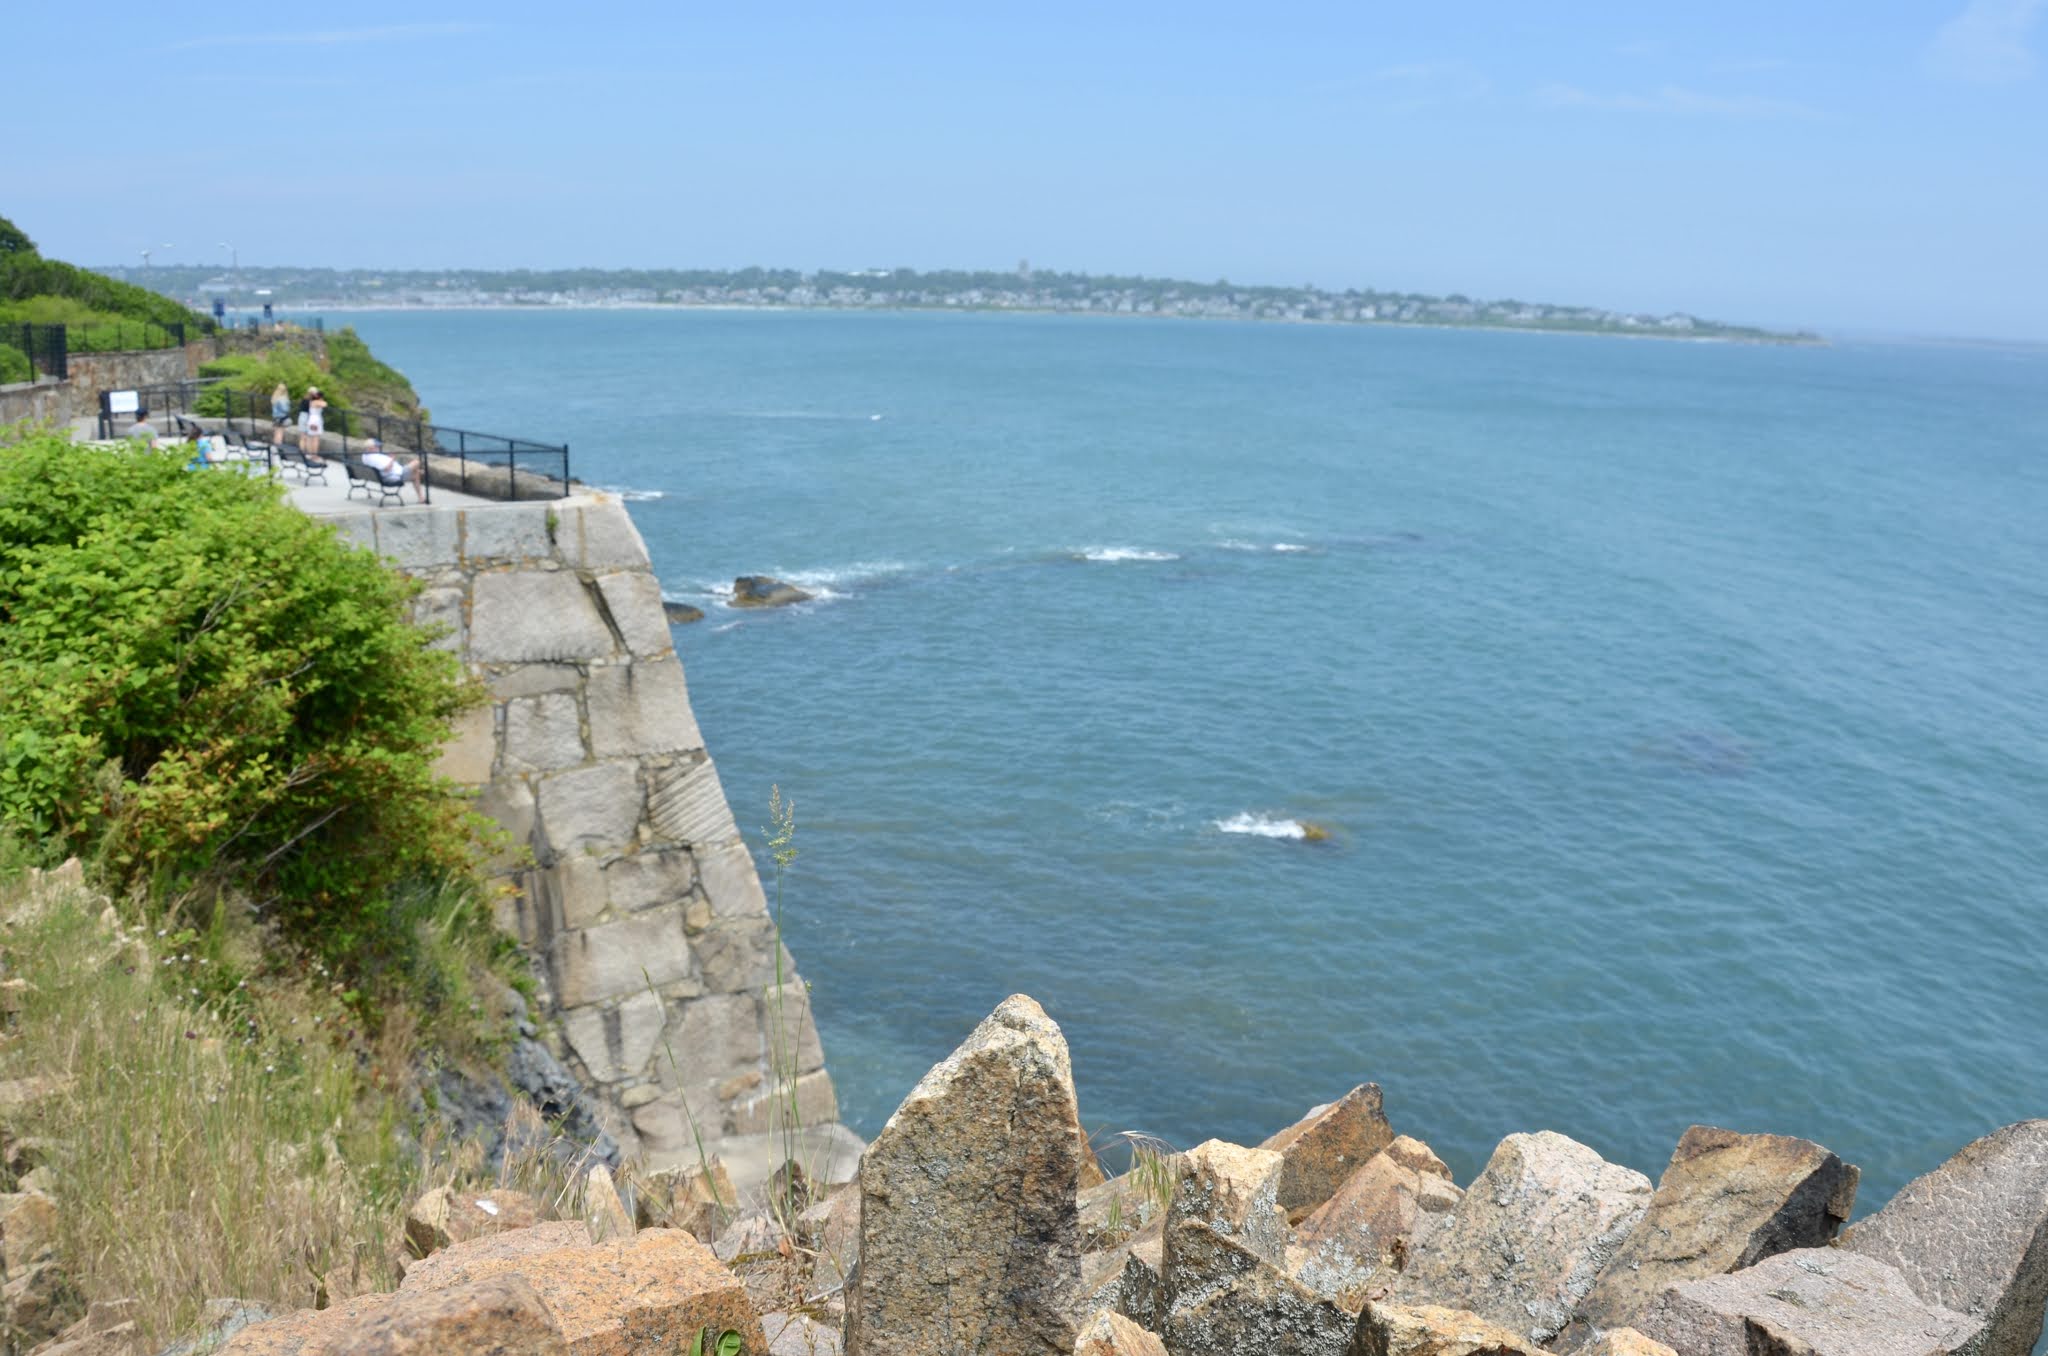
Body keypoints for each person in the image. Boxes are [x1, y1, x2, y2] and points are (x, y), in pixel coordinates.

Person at [297, 387, 328, 466]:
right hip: (315, 421)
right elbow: (325, 404)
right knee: (315, 439)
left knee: (310, 438)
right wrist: (321, 400)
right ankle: (314, 455)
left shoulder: (310, 401)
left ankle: (310, 453)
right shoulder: (316, 402)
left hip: (311, 420)